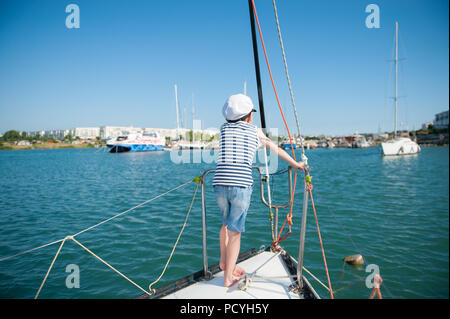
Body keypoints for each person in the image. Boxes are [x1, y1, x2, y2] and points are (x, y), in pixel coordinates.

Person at [213, 93, 304, 287]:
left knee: (225, 225)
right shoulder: (254, 131)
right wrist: (295, 163)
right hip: (240, 184)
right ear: (250, 116)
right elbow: (274, 148)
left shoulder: (223, 129)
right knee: (235, 232)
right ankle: (228, 277)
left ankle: (223, 262)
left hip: (219, 182)